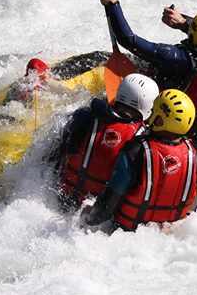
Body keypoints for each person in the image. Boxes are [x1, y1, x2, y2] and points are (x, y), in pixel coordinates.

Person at [83, 89, 197, 230]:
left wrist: (87, 220)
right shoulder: (196, 158)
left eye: (153, 112)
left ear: (159, 120)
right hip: (170, 235)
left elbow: (106, 207)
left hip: (127, 233)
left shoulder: (134, 152)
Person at [99, 0, 197, 117]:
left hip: (145, 107)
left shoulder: (173, 56)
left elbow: (128, 40)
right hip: (179, 116)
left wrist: (113, 4)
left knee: (98, 60)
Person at [50, 73, 160, 209]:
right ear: (149, 106)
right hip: (95, 211)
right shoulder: (142, 138)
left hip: (58, 198)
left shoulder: (84, 116)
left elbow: (54, 153)